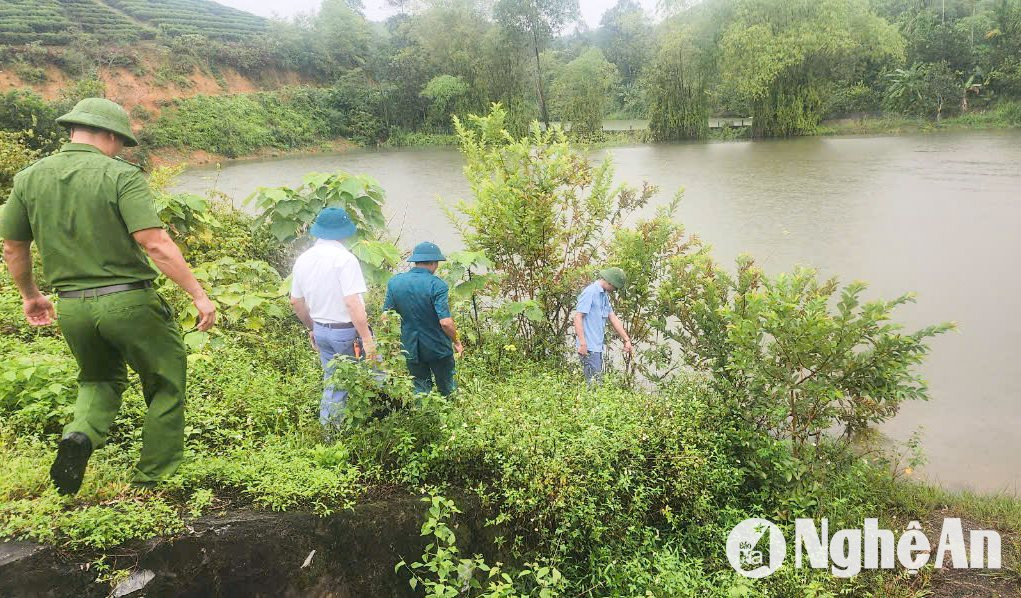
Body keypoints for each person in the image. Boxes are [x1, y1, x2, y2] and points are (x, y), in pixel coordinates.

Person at [0, 97, 216, 496]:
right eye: (120, 142)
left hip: (72, 306)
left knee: (97, 379)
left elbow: (13, 246)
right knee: (165, 381)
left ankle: (80, 435)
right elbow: (155, 243)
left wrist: (31, 295)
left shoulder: (29, 178)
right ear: (109, 135)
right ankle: (155, 477)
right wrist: (199, 295)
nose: (119, 149)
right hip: (129, 301)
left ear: (73, 130)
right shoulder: (121, 175)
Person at [289, 207, 376, 428]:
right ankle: (342, 433)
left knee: (334, 382)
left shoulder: (303, 259)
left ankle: (329, 432)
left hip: (321, 330)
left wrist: (312, 328)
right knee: (376, 373)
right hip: (346, 332)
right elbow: (352, 302)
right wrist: (367, 338)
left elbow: (296, 301)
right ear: (343, 233)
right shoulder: (345, 259)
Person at [382, 241, 463, 396]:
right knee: (447, 387)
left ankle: (424, 416)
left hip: (411, 347)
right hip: (437, 347)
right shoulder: (437, 285)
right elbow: (445, 322)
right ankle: (449, 417)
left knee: (420, 388)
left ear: (416, 261)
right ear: (433, 263)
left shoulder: (395, 282)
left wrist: (391, 344)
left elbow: (386, 317)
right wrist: (457, 341)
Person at [573, 267, 633, 384]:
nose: (614, 290)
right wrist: (582, 343)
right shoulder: (590, 292)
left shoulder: (603, 295)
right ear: (609, 282)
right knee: (595, 385)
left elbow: (613, 317)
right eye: (614, 287)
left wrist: (626, 339)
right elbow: (577, 317)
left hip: (596, 347)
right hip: (588, 347)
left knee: (595, 383)